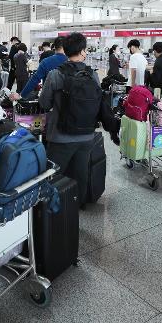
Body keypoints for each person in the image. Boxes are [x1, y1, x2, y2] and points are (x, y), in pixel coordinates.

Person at [38, 32, 119, 209]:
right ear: (83, 51)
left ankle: (53, 212)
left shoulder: (55, 75)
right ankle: (75, 209)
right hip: (87, 136)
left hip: (60, 136)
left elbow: (44, 103)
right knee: (80, 174)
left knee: (54, 175)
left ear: (66, 51)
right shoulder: (93, 75)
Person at [12, 36, 67, 101]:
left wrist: (22, 95)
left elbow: (35, 79)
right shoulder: (71, 61)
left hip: (49, 98)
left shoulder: (46, 62)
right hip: (67, 98)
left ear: (54, 47)